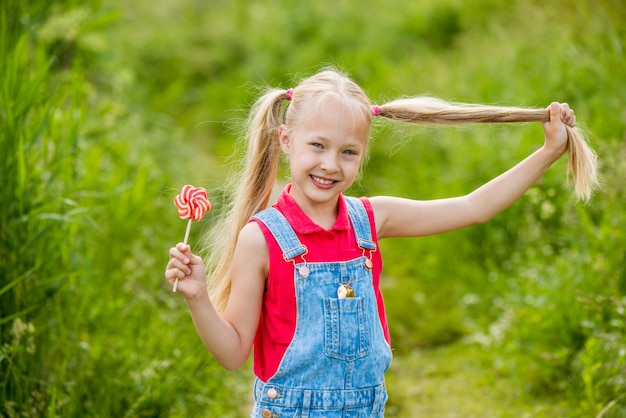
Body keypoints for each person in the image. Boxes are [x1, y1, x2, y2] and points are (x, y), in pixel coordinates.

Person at [165, 68, 597, 417]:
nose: (330, 165)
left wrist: (548, 152)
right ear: (285, 141)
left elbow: (472, 207)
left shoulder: (370, 219)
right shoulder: (261, 238)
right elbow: (232, 352)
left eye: (348, 152)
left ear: (363, 153)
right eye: (317, 146)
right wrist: (198, 296)